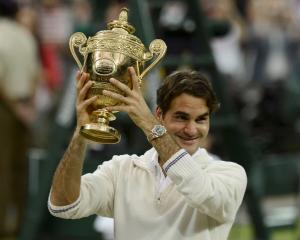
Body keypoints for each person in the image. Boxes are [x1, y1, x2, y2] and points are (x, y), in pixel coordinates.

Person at [48, 67, 247, 240]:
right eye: (181, 117)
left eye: (201, 120)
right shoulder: (122, 169)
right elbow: (63, 205)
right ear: (160, 114)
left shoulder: (229, 174)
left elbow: (201, 192)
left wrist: (149, 124)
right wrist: (81, 135)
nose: (192, 129)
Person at [0, 0, 40, 236]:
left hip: (5, 109)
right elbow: (36, 76)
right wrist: (28, 110)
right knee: (19, 173)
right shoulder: (25, 36)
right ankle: (18, 229)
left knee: (2, 173)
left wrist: (15, 109)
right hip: (25, 108)